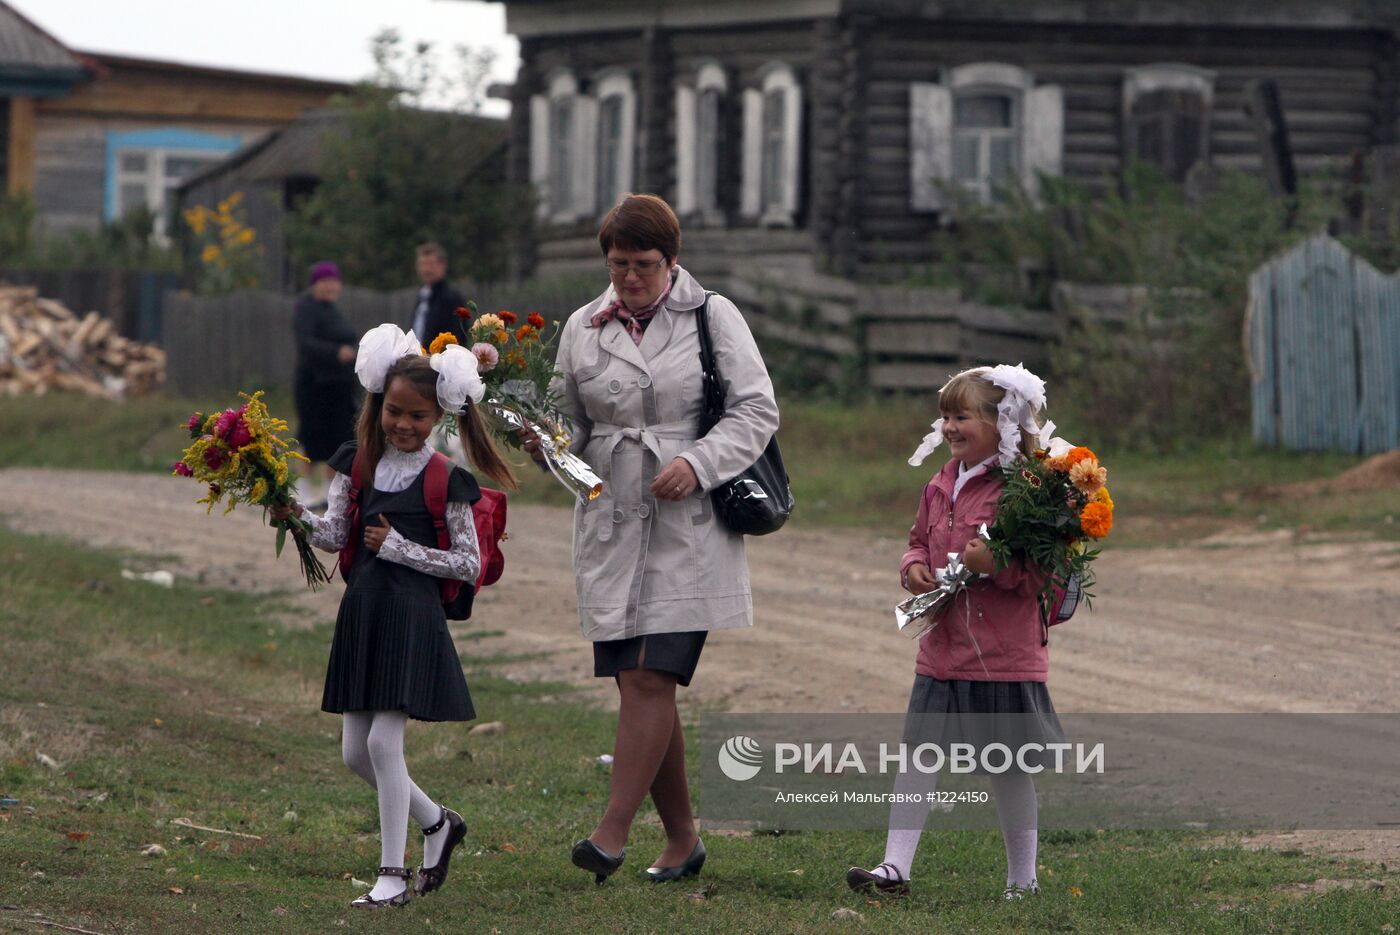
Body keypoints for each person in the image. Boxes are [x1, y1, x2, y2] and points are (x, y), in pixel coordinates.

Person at [521, 193, 780, 885]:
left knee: (648, 674)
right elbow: (566, 424)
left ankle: (609, 833)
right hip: (611, 521)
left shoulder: (710, 316)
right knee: (640, 684)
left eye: (642, 264)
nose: (629, 278)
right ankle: (683, 838)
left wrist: (697, 462)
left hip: (688, 527)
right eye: (617, 264)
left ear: (672, 260)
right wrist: (541, 439)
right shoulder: (582, 326)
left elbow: (758, 407)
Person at [271, 325, 517, 908]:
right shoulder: (354, 464)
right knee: (355, 752)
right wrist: (291, 514)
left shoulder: (445, 478)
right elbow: (334, 534)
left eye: (419, 417)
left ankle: (392, 874)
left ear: (439, 417)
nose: (404, 425)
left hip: (411, 617)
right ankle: (439, 822)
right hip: (363, 610)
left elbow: (467, 563)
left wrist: (399, 547)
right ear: (377, 402)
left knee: (384, 745)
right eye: (395, 412)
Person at [845, 364, 1065, 901]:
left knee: (1007, 770)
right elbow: (918, 540)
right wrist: (912, 566)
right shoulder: (940, 482)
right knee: (918, 756)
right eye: (945, 415)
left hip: (1000, 656)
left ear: (1002, 423)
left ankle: (1023, 880)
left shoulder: (1027, 491)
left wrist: (995, 563)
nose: (949, 427)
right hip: (942, 652)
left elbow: (1040, 574)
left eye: (962, 415)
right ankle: (894, 868)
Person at [293, 261, 359, 505]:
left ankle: (331, 493)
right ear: (314, 284)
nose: (331, 286)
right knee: (311, 437)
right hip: (314, 386)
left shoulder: (334, 310)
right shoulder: (305, 308)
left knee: (337, 440)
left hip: (339, 388)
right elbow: (306, 343)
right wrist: (336, 353)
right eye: (326, 281)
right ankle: (304, 489)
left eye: (334, 281)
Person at [408, 242, 467, 346]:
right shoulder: (423, 295)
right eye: (422, 264)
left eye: (431, 264)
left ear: (443, 265)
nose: (426, 270)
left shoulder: (451, 298)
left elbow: (458, 336)